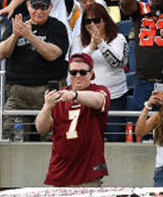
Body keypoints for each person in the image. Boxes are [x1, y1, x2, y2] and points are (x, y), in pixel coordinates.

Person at [0, 0, 69, 142]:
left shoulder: (57, 27)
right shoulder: (18, 25)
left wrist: (30, 36)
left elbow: (52, 54)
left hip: (48, 94)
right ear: (28, 5)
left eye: (43, 7)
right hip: (18, 96)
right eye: (35, 6)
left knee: (52, 139)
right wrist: (15, 35)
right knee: (13, 139)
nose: (39, 11)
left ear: (51, 7)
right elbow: (2, 52)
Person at [35, 53, 110, 187]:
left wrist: (75, 95)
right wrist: (47, 106)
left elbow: (98, 100)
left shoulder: (99, 90)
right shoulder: (59, 95)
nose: (78, 76)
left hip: (87, 174)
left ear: (91, 74)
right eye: (73, 72)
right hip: (60, 171)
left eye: (83, 72)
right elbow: (41, 128)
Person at [70, 3, 129, 109]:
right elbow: (75, 65)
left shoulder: (118, 38)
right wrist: (91, 47)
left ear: (105, 20)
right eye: (88, 21)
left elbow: (118, 63)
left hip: (114, 96)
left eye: (96, 20)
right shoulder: (78, 41)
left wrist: (100, 43)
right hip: (86, 96)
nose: (92, 25)